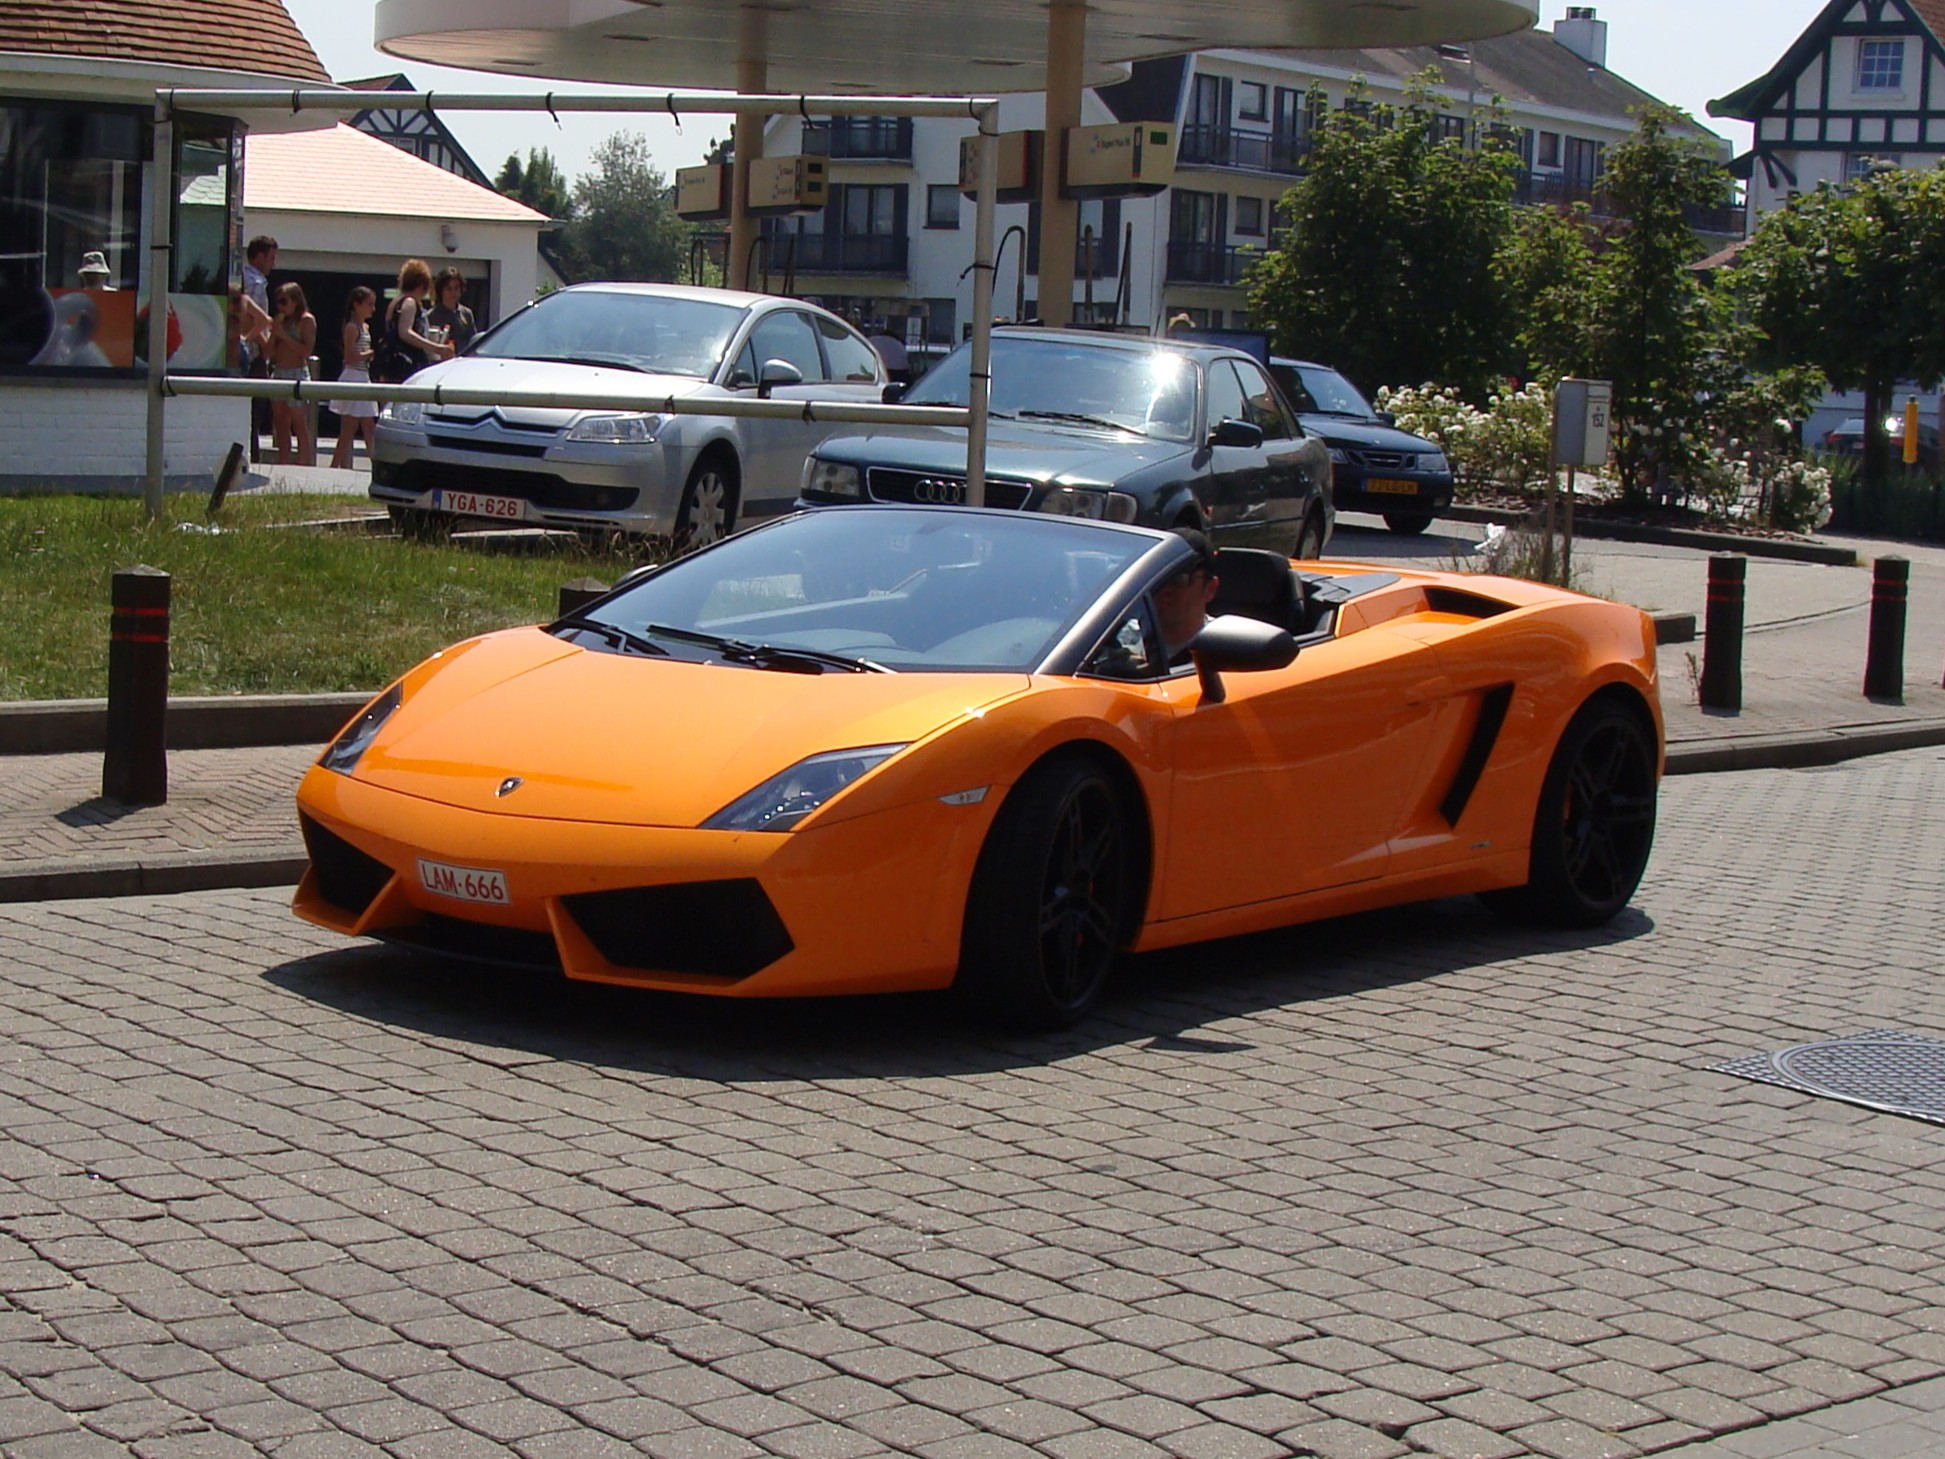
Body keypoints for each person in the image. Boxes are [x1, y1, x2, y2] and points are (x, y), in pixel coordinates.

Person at [266, 280, 317, 466]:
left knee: (299, 423)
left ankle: (304, 464)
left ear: (296, 301)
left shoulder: (306, 320)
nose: (281, 306)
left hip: (296, 373)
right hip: (279, 372)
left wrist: (285, 336)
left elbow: (306, 351)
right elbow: (267, 352)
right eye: (278, 302)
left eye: (284, 302)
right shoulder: (281, 322)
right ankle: (284, 463)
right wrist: (274, 332)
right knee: (281, 423)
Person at [381, 258, 455, 381]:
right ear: (422, 285)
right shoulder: (410, 302)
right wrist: (437, 348)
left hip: (391, 365)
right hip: (407, 366)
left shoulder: (395, 303)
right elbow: (405, 332)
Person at [330, 287, 380, 470]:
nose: (372, 309)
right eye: (369, 304)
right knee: (354, 427)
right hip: (353, 377)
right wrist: (369, 354)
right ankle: (336, 465)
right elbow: (349, 357)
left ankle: (337, 465)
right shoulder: (352, 328)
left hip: (363, 377)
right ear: (356, 305)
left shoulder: (365, 327)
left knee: (363, 426)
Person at [1156, 527, 1221, 661]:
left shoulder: (1222, 653)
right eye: (1158, 578)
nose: (1165, 588)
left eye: (1179, 579)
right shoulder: (1117, 636)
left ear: (1210, 589)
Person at [241, 236, 277, 458]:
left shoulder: (242, 276)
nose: (273, 263)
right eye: (271, 258)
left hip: (250, 352)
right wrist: (263, 343)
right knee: (256, 410)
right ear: (259, 256)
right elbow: (249, 317)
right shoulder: (256, 282)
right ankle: (251, 457)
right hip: (253, 355)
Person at [424, 267, 477, 354]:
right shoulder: (431, 315)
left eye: (456, 288)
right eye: (449, 289)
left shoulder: (466, 314)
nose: (453, 293)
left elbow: (473, 341)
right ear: (441, 291)